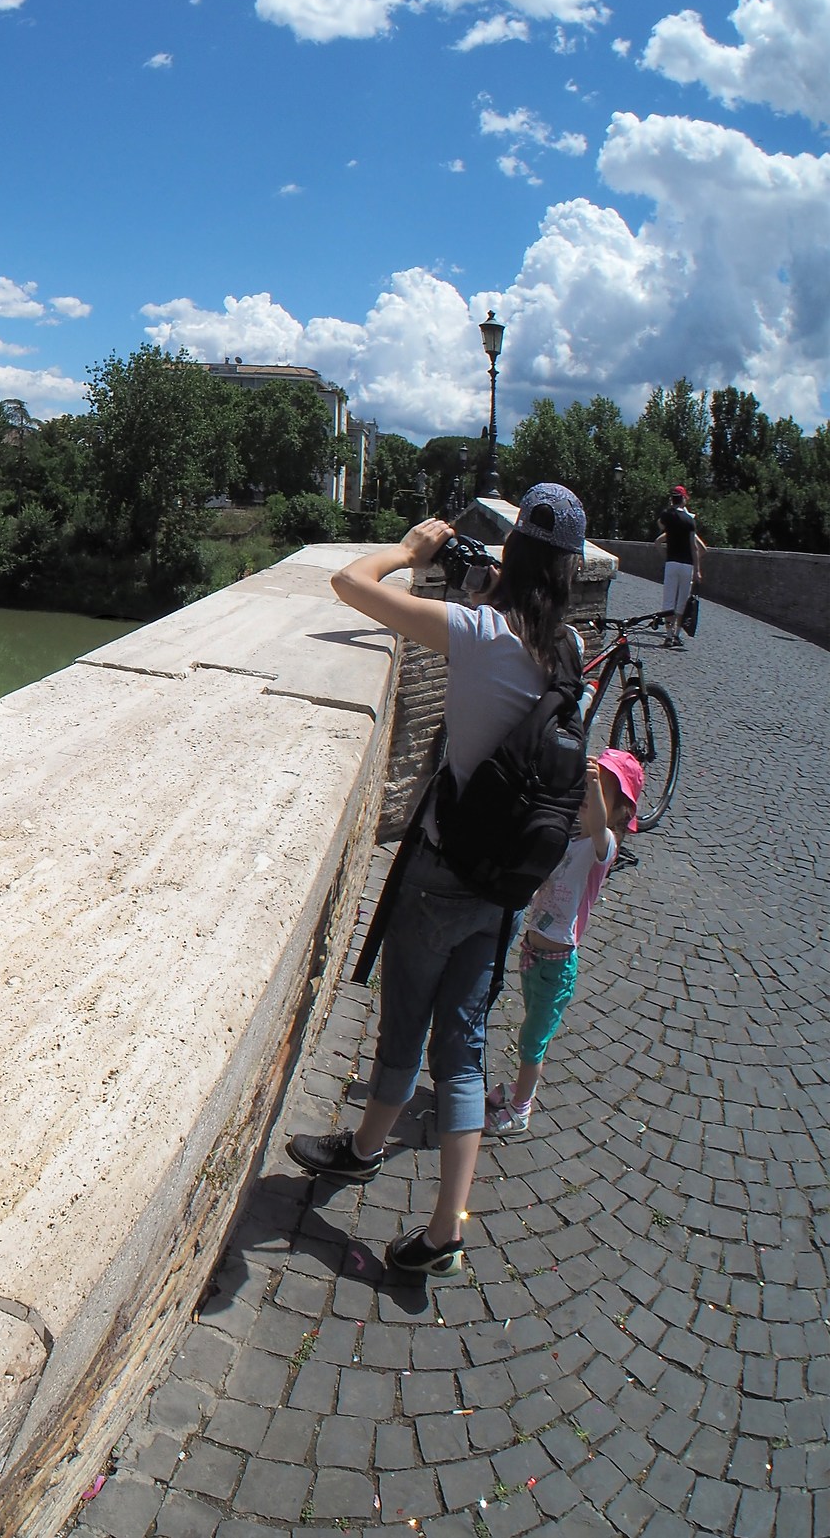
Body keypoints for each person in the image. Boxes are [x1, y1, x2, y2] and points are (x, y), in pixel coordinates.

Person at [287, 482, 589, 1281]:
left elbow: (351, 584)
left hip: (439, 870)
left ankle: (361, 1148)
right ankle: (446, 1225)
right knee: (462, 1049)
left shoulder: (479, 632)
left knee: (403, 1024)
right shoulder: (571, 650)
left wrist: (413, 550)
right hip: (500, 889)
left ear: (512, 549)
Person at [484, 748, 642, 1137]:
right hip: (534, 955)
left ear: (620, 812)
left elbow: (601, 827)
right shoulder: (571, 840)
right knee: (529, 1031)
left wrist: (592, 781)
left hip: (557, 965)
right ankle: (519, 1089)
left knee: (532, 1042)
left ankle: (520, 1109)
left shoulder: (603, 849)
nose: (588, 796)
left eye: (600, 791)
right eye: (588, 788)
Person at [655, 485, 705, 648]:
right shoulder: (690, 520)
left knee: (668, 600)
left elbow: (661, 526)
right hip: (687, 565)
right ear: (684, 499)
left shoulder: (667, 516)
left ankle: (668, 636)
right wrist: (697, 570)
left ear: (672, 499)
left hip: (672, 562)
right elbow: (694, 548)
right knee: (682, 601)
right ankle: (677, 634)